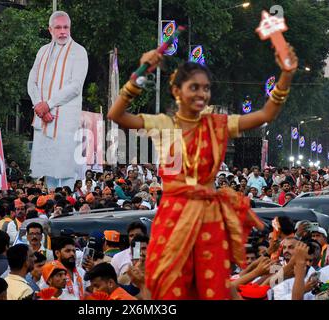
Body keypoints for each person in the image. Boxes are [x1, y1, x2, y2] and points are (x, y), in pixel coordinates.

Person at [108, 43, 297, 299]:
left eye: (206, 88)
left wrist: (286, 74)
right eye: (194, 87)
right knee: (169, 291)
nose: (201, 94)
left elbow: (266, 114)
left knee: (211, 289)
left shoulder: (218, 124)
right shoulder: (164, 124)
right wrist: (142, 70)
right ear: (176, 90)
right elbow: (116, 114)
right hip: (174, 218)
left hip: (209, 219)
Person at [28, 11, 88, 189]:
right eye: (58, 28)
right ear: (50, 30)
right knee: (48, 170)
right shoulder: (43, 51)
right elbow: (32, 81)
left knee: (65, 169)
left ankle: (66, 207)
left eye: (66, 27)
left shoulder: (79, 51)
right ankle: (50, 205)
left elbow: (75, 86)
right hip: (43, 119)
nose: (63, 32)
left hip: (65, 122)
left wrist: (48, 105)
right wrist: (39, 106)